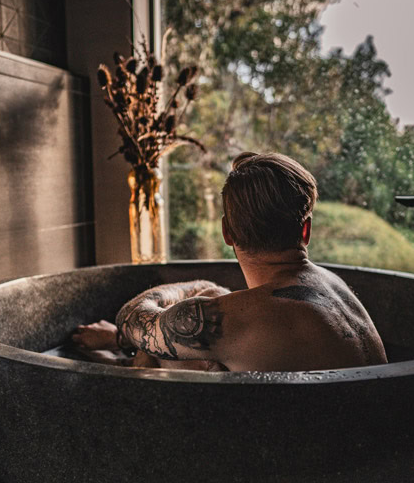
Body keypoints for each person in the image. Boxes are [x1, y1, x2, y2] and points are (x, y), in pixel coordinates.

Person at [72, 151, 387, 371]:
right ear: (305, 230)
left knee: (192, 334)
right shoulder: (334, 286)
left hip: (315, 462)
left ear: (227, 232)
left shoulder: (245, 320)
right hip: (369, 449)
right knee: (212, 301)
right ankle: (130, 360)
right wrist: (209, 290)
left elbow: (132, 317)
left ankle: (126, 364)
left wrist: (119, 338)